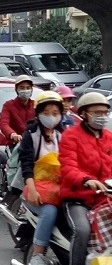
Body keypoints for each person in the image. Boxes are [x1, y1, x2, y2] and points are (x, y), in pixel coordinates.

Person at [59, 92, 112, 265]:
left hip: (104, 198)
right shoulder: (71, 136)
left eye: (105, 113)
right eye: (97, 113)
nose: (102, 117)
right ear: (83, 114)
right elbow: (68, 166)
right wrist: (86, 179)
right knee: (82, 230)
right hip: (77, 199)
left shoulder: (109, 137)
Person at [19, 91, 64, 265]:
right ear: (38, 113)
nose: (51, 117)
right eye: (46, 113)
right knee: (50, 211)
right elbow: (27, 167)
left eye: (55, 113)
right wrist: (32, 190)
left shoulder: (62, 136)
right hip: (36, 188)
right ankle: (37, 254)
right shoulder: (31, 135)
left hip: (60, 188)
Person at [0, 75, 36, 146]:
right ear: (16, 89)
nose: (25, 90)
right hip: (16, 144)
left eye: (28, 88)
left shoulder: (35, 105)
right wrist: (12, 134)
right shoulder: (8, 105)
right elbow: (3, 123)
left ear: (31, 90)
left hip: (34, 144)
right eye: (22, 88)